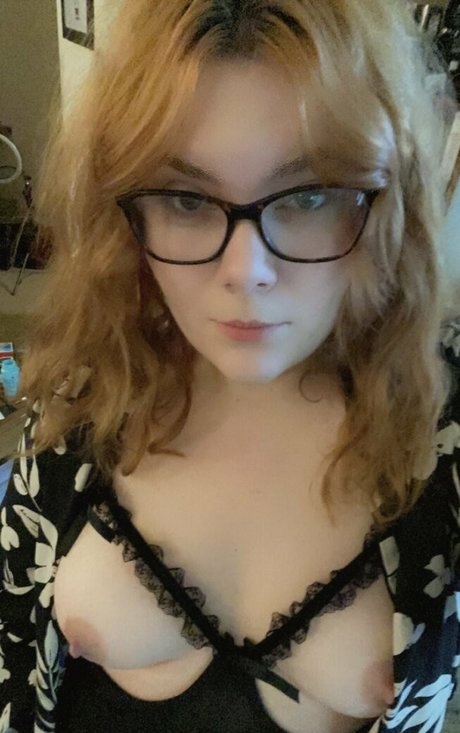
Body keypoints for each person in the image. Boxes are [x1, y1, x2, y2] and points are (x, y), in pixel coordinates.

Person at [0, 0, 459, 731]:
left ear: (385, 202)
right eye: (186, 199)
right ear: (125, 216)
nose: (247, 271)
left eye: (309, 196)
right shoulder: (80, 400)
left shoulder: (442, 430)